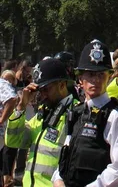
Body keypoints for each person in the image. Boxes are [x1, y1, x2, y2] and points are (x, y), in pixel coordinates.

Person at [52, 39, 118, 187]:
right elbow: (66, 157)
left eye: (101, 74)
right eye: (90, 74)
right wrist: (57, 179)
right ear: (80, 78)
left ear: (109, 76)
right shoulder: (76, 112)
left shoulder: (117, 116)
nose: (95, 80)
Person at [5, 58, 78, 187]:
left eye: (46, 89)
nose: (41, 95)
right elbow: (13, 140)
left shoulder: (76, 113)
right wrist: (21, 107)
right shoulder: (43, 113)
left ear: (61, 85)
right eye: (39, 90)